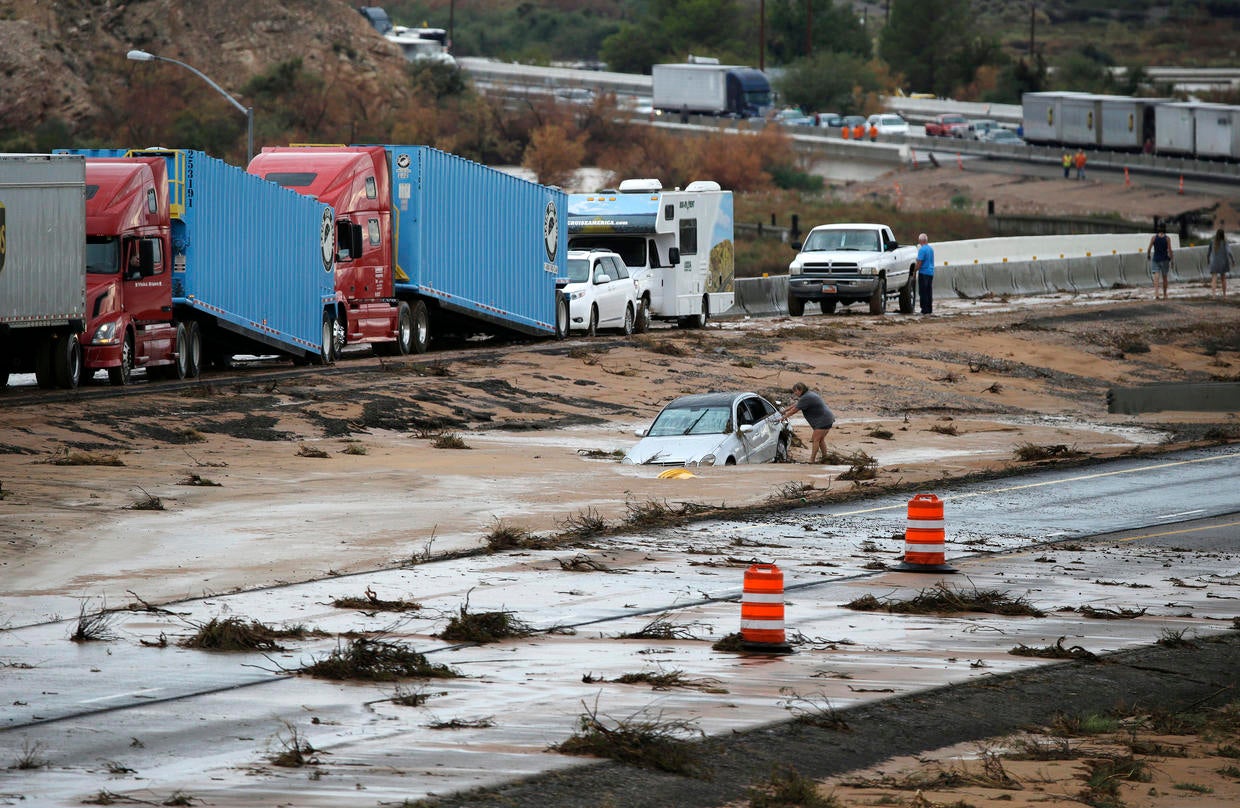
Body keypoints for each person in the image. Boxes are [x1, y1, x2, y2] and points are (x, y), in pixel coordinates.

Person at [779, 382, 834, 464]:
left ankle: (812, 460)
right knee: (820, 440)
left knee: (815, 439)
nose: (795, 393)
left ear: (800, 390)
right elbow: (796, 405)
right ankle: (825, 458)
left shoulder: (806, 397)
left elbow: (795, 410)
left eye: (795, 391)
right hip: (828, 418)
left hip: (823, 420)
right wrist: (784, 411)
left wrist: (783, 418)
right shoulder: (808, 395)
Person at [1147, 223, 1173, 300]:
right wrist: (1172, 260)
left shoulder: (1154, 238)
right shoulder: (1167, 238)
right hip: (1165, 259)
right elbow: (1170, 250)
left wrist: (1148, 255)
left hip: (1156, 259)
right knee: (1165, 277)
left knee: (1156, 277)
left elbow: (1149, 249)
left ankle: (1156, 294)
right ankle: (1165, 294)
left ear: (1158, 229)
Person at [1207, 227, 1234, 297]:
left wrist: (1208, 260)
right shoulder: (1225, 242)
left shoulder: (1212, 242)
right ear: (1223, 235)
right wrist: (1233, 260)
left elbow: (1208, 253)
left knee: (1214, 279)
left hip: (1214, 263)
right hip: (1223, 263)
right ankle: (1224, 295)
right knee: (1223, 279)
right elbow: (1229, 252)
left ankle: (1213, 295)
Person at [916, 232, 935, 315]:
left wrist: (914, 271)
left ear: (921, 240)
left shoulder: (922, 250)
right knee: (928, 291)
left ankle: (924, 309)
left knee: (923, 292)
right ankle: (929, 308)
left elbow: (919, 262)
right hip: (930, 272)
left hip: (923, 273)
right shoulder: (931, 249)